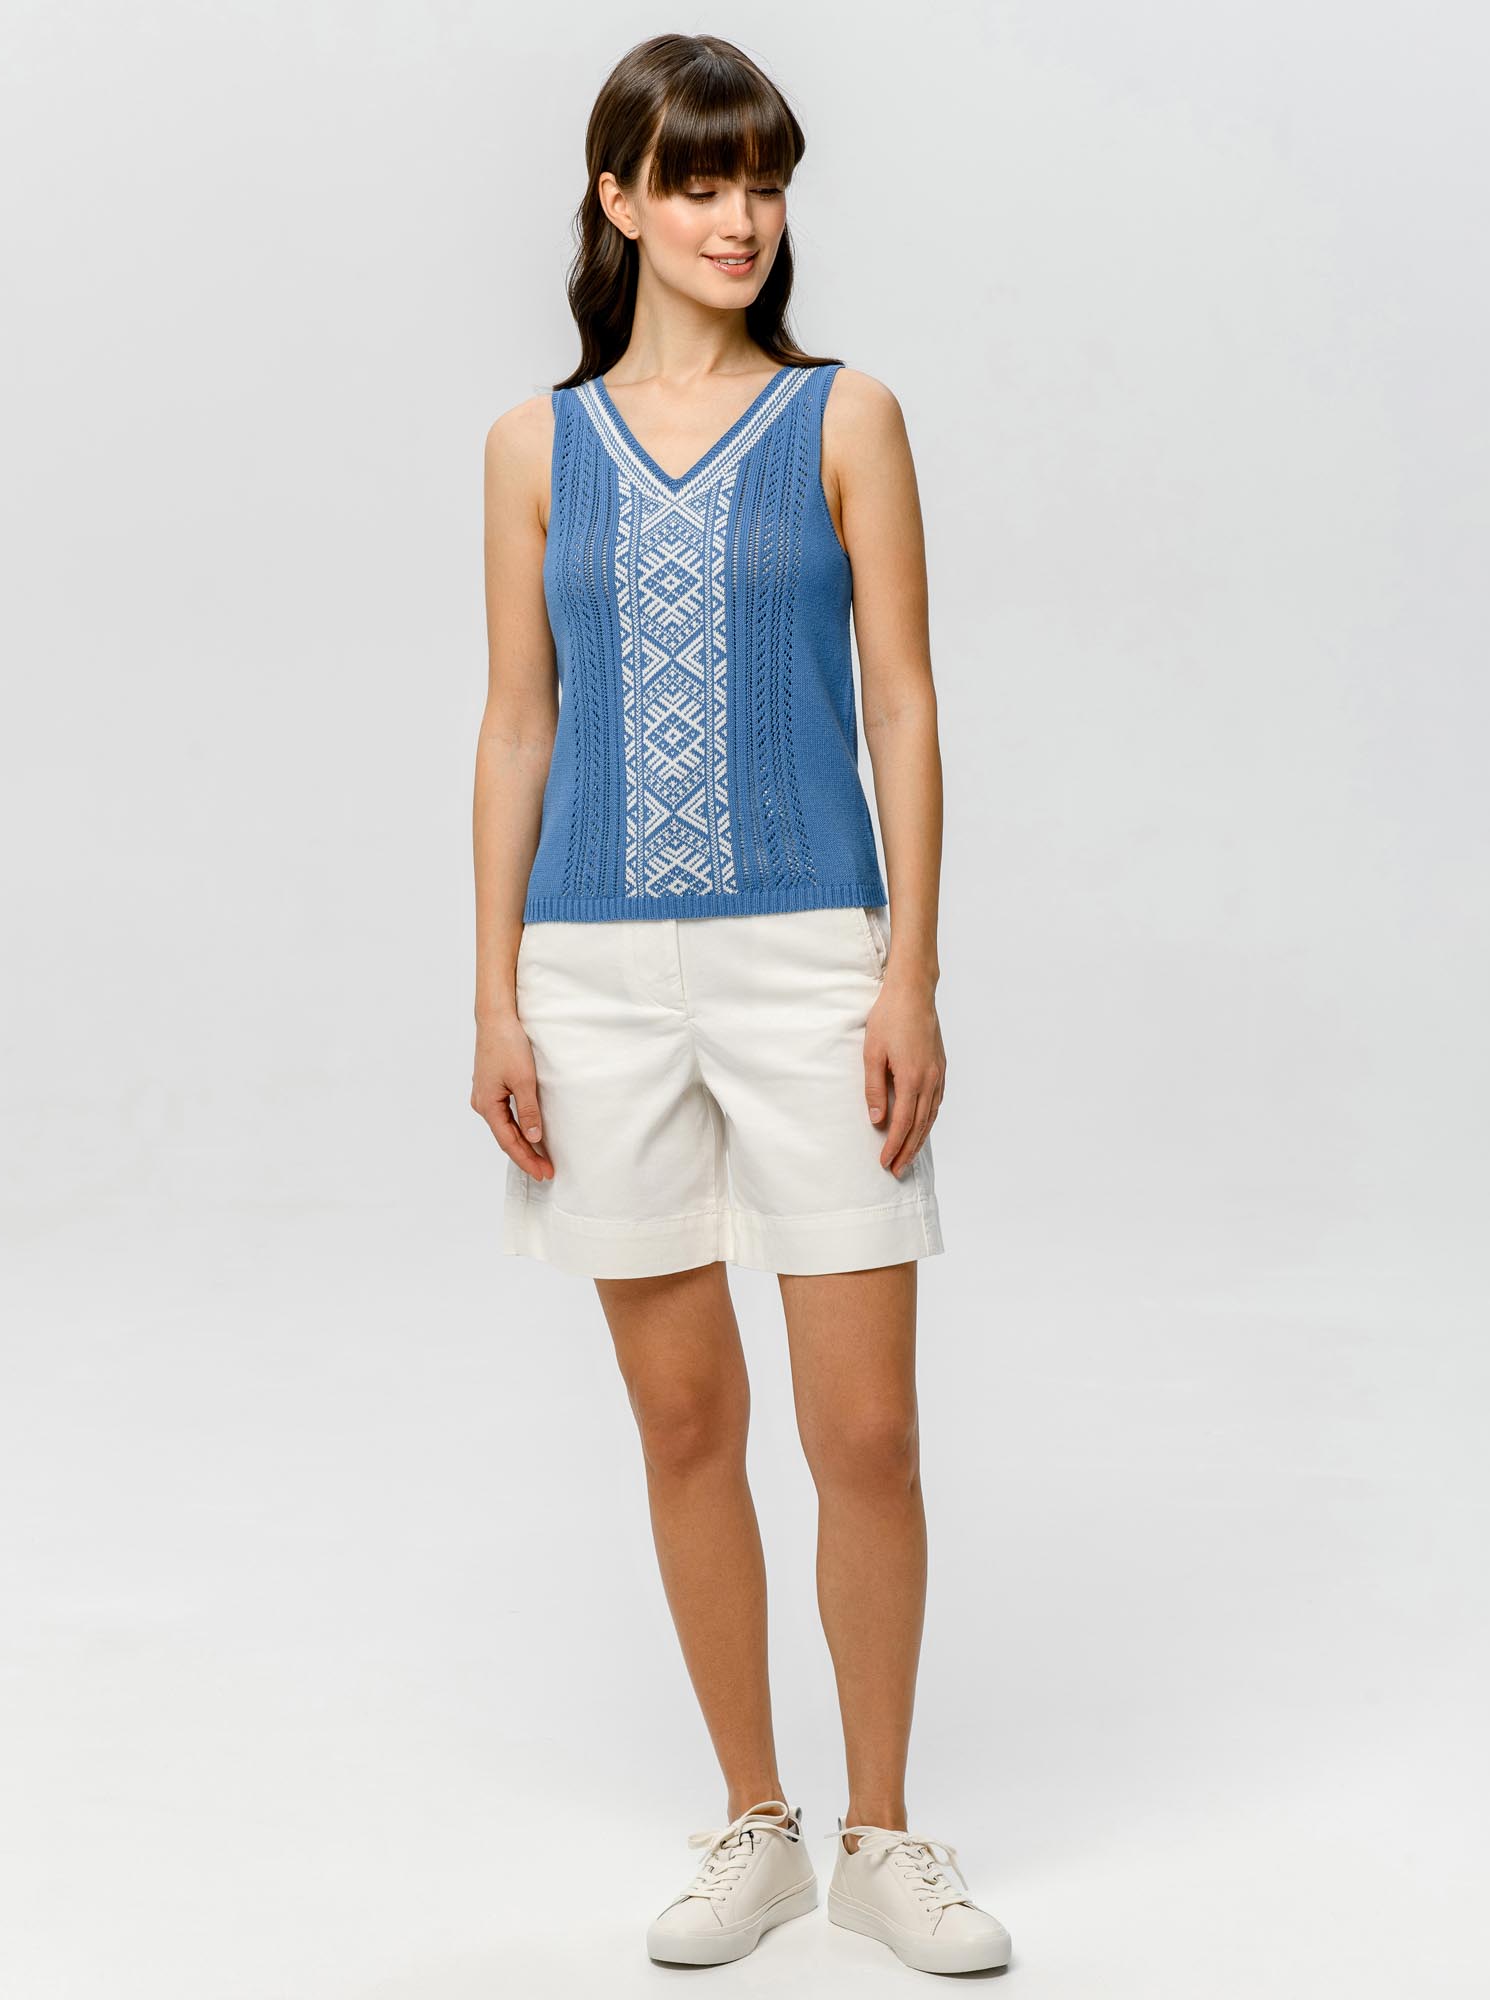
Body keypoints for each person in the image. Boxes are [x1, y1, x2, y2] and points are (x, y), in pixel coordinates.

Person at [471, 33, 1011, 1977]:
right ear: (616, 199)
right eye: (698, 182)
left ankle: (885, 1836)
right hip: (593, 980)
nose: (739, 218)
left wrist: (908, 968)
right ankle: (757, 1825)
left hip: (812, 961)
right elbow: (517, 723)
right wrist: (494, 997)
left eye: (762, 181)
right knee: (685, 1416)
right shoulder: (531, 448)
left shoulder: (847, 416)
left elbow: (904, 703)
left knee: (865, 1431)